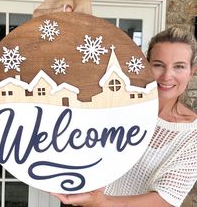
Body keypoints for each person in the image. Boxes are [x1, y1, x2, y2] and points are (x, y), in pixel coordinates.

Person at [52, 26, 197, 207]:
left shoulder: (192, 136)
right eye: (158, 65)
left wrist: (101, 202)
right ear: (146, 64)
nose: (167, 76)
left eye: (179, 67)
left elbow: (165, 200)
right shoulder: (120, 105)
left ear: (191, 71)